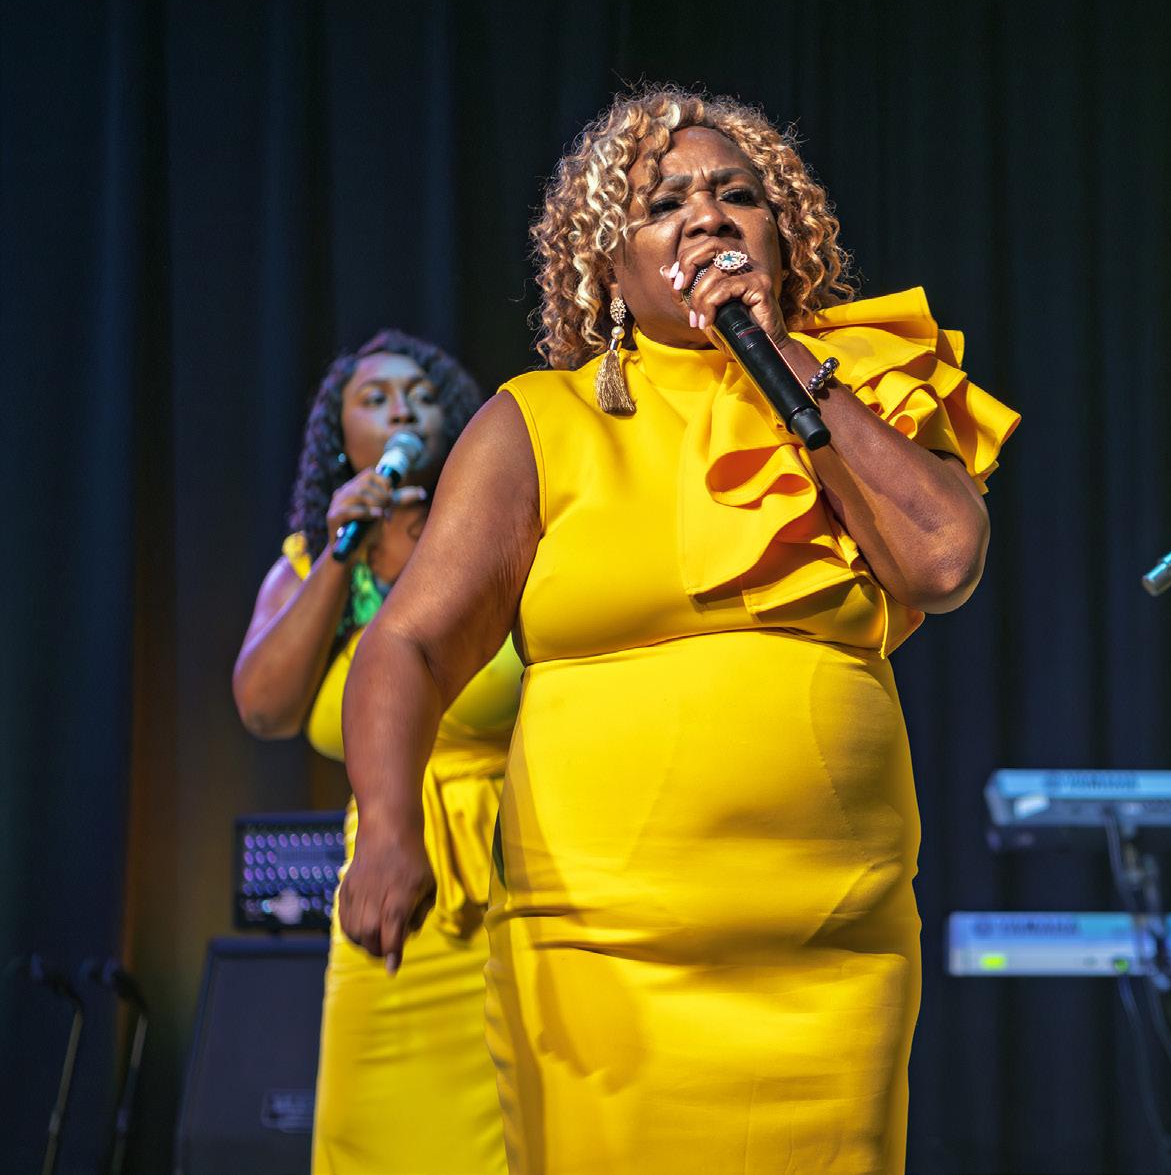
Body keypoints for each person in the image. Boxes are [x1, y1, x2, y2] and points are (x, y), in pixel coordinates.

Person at [331, 87, 1019, 1173]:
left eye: (738, 195)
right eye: (664, 204)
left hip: (831, 954)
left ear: (783, 235)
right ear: (609, 268)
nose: (707, 217)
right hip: (601, 960)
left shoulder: (866, 389)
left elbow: (942, 559)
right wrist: (386, 826)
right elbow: (406, 643)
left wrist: (780, 356)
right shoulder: (539, 422)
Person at [232, 331, 514, 1174]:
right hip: (386, 886)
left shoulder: (493, 539)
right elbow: (264, 708)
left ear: (453, 422)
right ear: (339, 437)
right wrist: (339, 551)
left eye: (421, 396)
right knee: (370, 1136)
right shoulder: (311, 563)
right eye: (376, 397)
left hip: (516, 873)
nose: (402, 410)